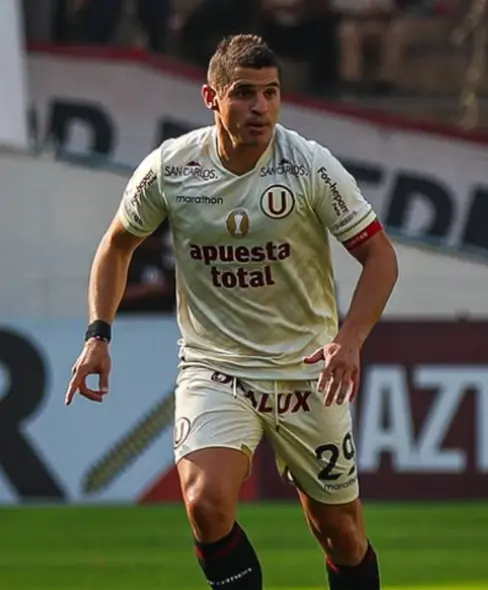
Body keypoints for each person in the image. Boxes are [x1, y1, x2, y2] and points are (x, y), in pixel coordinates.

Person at [64, 34, 398, 590]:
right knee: (205, 501)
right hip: (216, 367)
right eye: (244, 94)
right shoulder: (171, 168)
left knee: (340, 532)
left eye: (270, 93)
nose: (261, 107)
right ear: (211, 98)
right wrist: (98, 335)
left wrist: (351, 338)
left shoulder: (309, 166)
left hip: (307, 370)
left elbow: (380, 256)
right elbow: (117, 244)